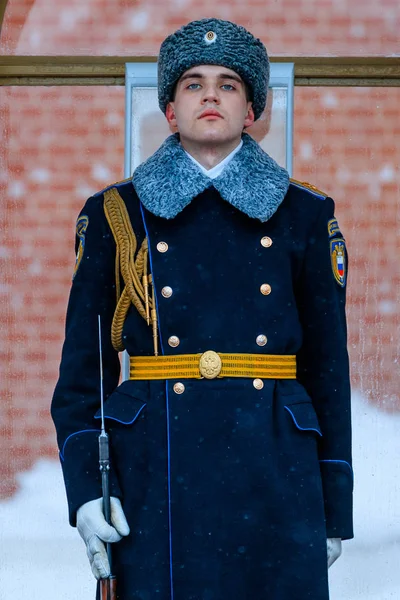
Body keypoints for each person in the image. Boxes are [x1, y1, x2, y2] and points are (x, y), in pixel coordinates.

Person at [51, 18, 353, 600]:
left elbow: (328, 373)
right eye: (192, 83)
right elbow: (79, 378)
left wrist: (333, 507)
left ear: (252, 111)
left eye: (228, 84)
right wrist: (88, 490)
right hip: (153, 472)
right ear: (168, 110)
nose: (210, 95)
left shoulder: (304, 217)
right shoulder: (117, 215)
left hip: (275, 469)